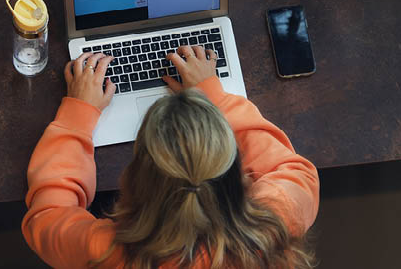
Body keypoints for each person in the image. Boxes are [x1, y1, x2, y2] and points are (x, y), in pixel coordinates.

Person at [22, 45, 320, 268]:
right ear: (237, 172)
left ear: (134, 180)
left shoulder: (109, 252)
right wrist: (213, 95)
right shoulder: (275, 224)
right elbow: (293, 171)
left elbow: (47, 218)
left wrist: (77, 114)